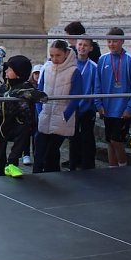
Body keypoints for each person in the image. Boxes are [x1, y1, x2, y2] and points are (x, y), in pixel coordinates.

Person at [94, 27, 131, 167]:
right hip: (107, 108)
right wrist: (98, 104)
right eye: (109, 41)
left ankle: (122, 166)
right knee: (109, 140)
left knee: (116, 140)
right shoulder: (102, 59)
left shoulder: (130, 60)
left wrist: (129, 108)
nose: (111, 44)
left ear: (122, 41)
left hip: (122, 109)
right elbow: (97, 84)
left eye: (115, 41)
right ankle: (112, 168)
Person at [34, 40, 81, 173]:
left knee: (51, 151)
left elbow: (76, 97)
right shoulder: (46, 68)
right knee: (39, 151)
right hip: (45, 114)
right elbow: (39, 91)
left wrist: (65, 116)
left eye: (58, 55)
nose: (54, 59)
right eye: (52, 55)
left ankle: (50, 174)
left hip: (61, 117)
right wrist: (40, 110)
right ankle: (37, 175)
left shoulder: (74, 71)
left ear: (66, 53)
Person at [0, 55, 36, 177]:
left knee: (25, 130)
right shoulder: (3, 87)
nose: (6, 71)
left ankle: (12, 163)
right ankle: (0, 175)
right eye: (7, 68)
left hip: (15, 125)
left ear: (18, 73)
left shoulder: (26, 88)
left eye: (10, 69)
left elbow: (37, 97)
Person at [69, 39, 98, 170]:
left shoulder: (93, 67)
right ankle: (73, 164)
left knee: (87, 137)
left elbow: (96, 87)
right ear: (76, 46)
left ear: (90, 48)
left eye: (85, 45)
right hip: (72, 108)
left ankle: (88, 165)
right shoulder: (70, 65)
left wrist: (94, 106)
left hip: (87, 108)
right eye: (80, 44)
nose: (82, 47)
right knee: (73, 137)